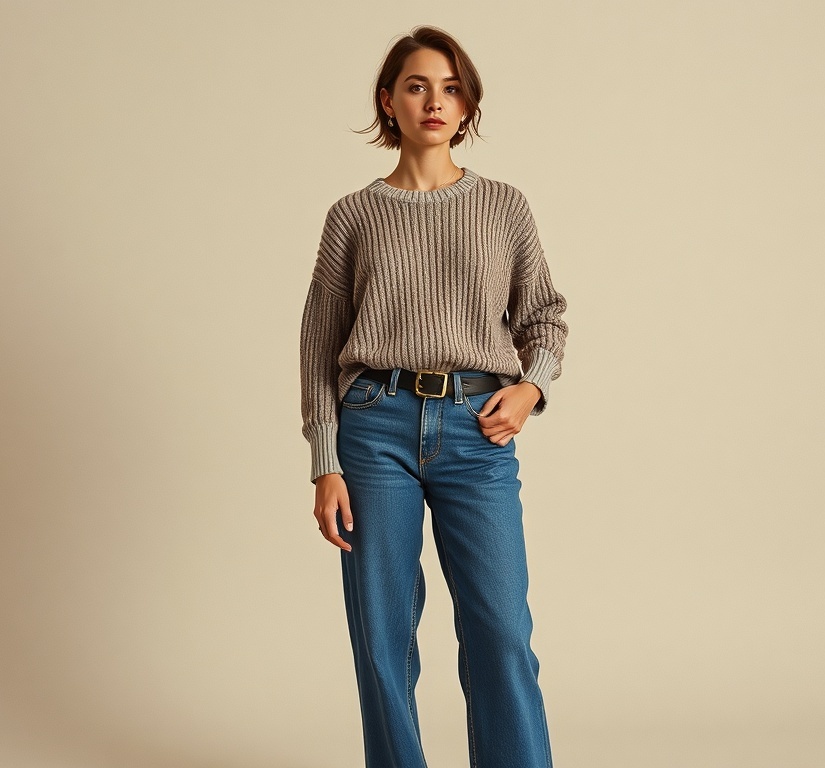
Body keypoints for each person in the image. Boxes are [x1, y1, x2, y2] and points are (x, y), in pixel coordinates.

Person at [299, 25, 568, 768]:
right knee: (382, 633)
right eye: (417, 86)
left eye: (451, 87)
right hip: (373, 430)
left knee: (501, 629)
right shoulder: (351, 217)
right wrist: (325, 461)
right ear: (388, 102)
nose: (435, 101)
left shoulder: (504, 207)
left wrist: (529, 390)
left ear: (467, 102)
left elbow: (545, 316)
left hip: (477, 432)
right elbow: (319, 343)